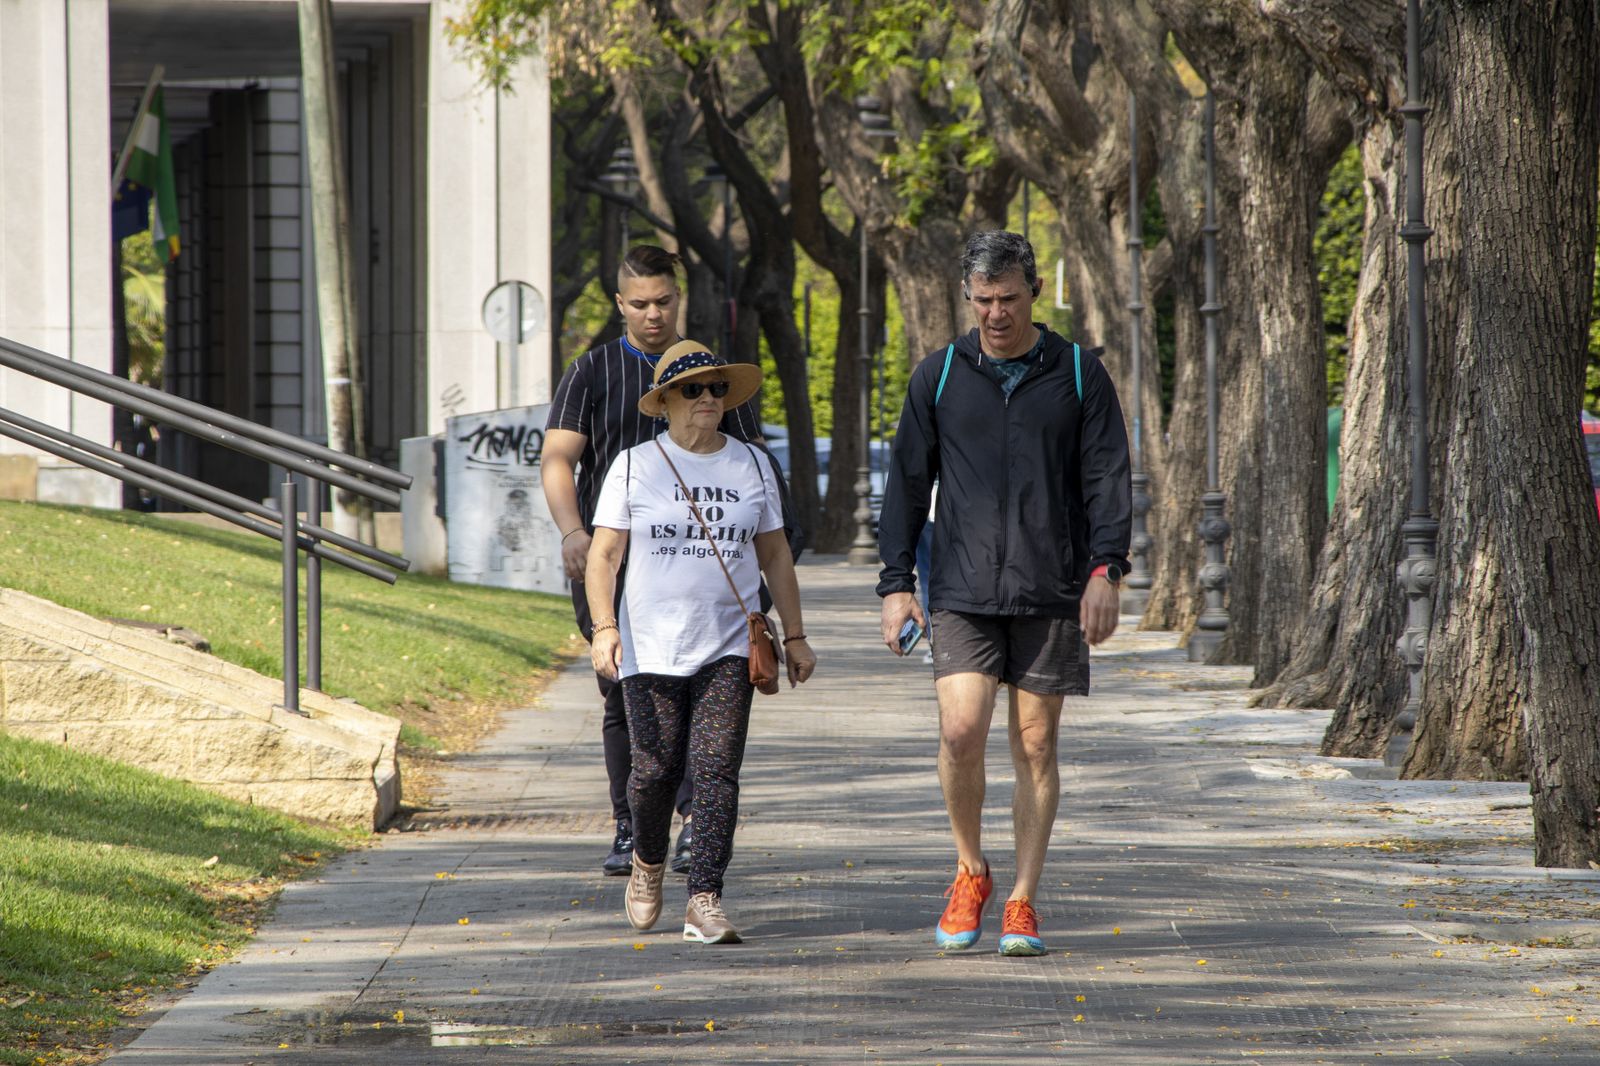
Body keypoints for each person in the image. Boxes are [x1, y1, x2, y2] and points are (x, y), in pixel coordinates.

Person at [876, 230, 1131, 957]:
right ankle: (969, 869)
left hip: (1052, 588)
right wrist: (897, 586)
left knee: (1035, 742)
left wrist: (1104, 572)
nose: (995, 314)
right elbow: (905, 485)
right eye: (983, 301)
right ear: (969, 298)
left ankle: (1022, 899)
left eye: (1009, 299)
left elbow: (1107, 481)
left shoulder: (1080, 373)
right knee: (960, 731)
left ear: (1034, 295)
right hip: (961, 587)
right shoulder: (940, 376)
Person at [542, 246, 763, 878]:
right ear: (620, 304)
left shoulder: (707, 371)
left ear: (678, 299)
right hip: (613, 563)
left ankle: (697, 824)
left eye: (663, 301)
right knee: (621, 697)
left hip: (701, 565)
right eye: (639, 304)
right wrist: (572, 533)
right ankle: (631, 827)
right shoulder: (591, 372)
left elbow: (752, 469)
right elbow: (558, 459)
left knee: (704, 697)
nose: (653, 315)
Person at [586, 343, 817, 944]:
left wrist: (795, 636)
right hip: (650, 646)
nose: (709, 398)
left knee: (716, 771)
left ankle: (706, 897)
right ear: (665, 402)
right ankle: (646, 861)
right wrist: (604, 627)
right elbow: (604, 554)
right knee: (655, 772)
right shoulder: (634, 466)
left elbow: (775, 555)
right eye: (694, 390)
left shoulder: (753, 465)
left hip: (727, 644)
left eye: (716, 388)